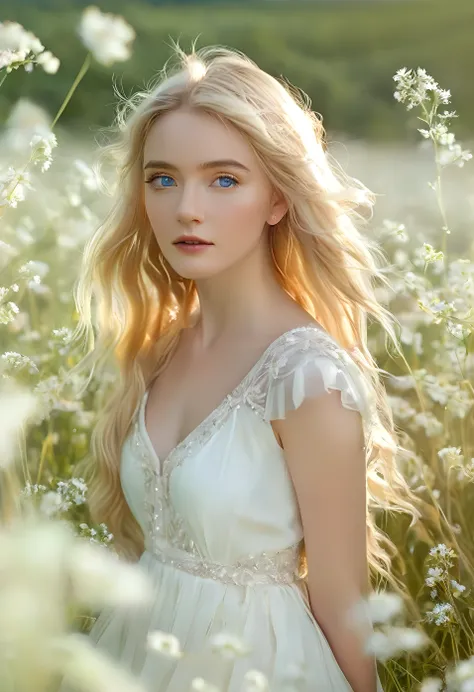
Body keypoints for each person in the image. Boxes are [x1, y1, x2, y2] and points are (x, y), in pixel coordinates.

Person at [63, 43, 420, 692]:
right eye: (162, 178)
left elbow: (344, 604)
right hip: (139, 656)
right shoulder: (160, 347)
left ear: (278, 199)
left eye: (224, 179)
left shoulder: (307, 377)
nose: (186, 209)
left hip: (257, 670)